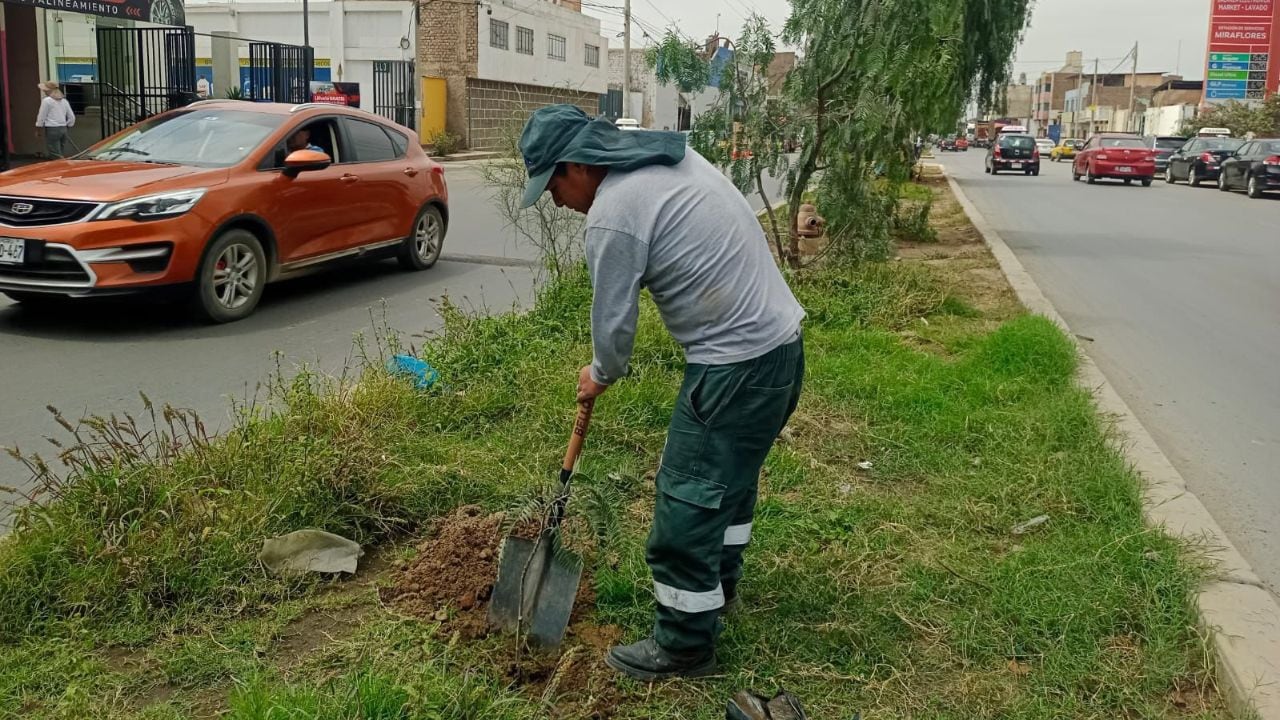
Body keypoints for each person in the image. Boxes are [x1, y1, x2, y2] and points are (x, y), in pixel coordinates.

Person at [518, 105, 805, 681]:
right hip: (781, 350)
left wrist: (600, 372)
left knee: (687, 497)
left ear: (578, 165)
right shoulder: (666, 157)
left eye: (552, 185)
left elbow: (614, 325)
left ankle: (683, 645)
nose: (555, 201)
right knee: (727, 484)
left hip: (734, 367)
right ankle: (716, 589)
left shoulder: (613, 213)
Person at [35, 81, 76, 159]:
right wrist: (67, 126)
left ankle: (61, 165)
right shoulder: (64, 101)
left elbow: (41, 117)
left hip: (52, 129)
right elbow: (72, 117)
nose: (44, 91)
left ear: (48, 90)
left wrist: (38, 129)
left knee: (55, 154)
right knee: (60, 151)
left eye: (45, 90)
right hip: (63, 128)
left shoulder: (47, 101)